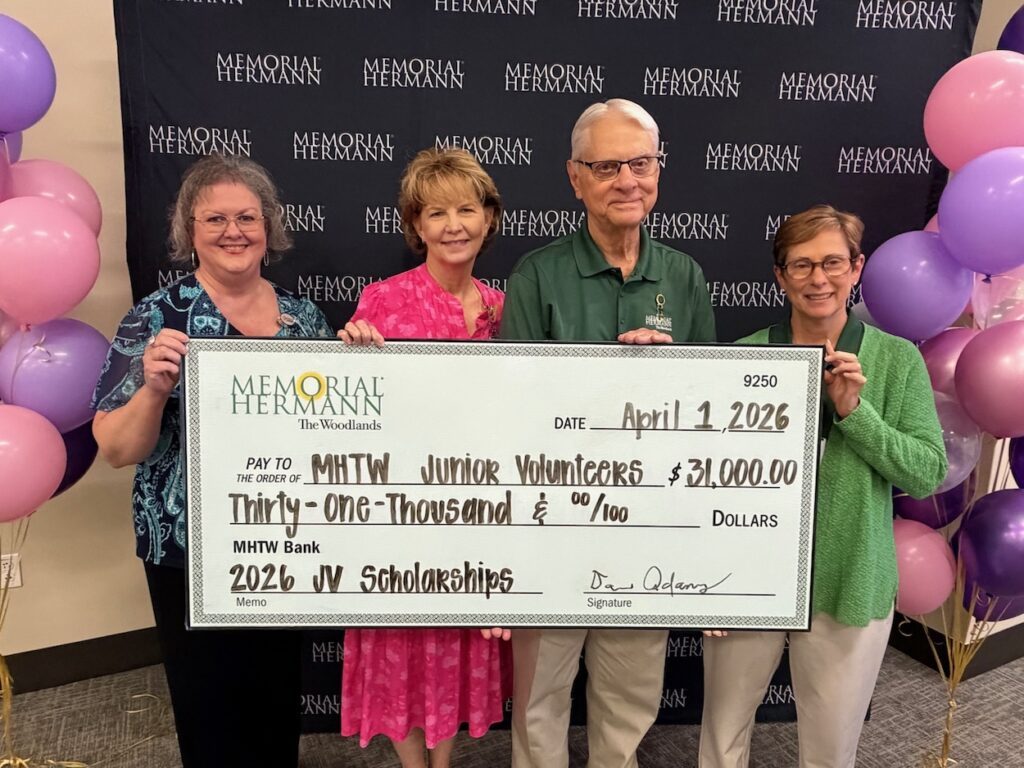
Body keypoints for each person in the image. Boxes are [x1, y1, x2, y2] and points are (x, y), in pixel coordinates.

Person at [91, 154, 334, 768]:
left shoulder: (305, 321)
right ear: (189, 231)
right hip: (188, 553)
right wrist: (152, 388)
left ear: (268, 227)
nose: (234, 231)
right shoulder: (156, 320)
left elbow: (338, 436)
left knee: (276, 704)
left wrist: (357, 359)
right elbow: (117, 450)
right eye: (216, 218)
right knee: (209, 709)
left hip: (286, 543)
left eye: (247, 217)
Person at [500, 98, 716, 768]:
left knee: (630, 697)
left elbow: (712, 409)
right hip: (553, 525)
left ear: (659, 169)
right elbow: (510, 407)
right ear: (575, 178)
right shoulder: (538, 274)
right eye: (607, 165)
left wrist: (668, 377)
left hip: (644, 529)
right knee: (539, 699)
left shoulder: (683, 275)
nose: (627, 179)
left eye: (641, 163)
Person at [698, 205, 947, 768]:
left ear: (856, 268)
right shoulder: (744, 357)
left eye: (833, 262)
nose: (819, 279)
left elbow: (926, 471)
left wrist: (857, 414)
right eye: (802, 265)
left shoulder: (896, 360)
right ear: (780, 277)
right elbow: (711, 485)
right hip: (749, 581)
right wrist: (706, 582)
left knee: (831, 751)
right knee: (721, 737)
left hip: (849, 578)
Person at [337, 147, 512, 768]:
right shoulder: (382, 301)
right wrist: (351, 355)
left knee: (457, 639)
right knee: (404, 643)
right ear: (416, 227)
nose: (453, 225)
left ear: (488, 218)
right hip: (401, 514)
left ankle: (444, 763)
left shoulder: (501, 308)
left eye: (467, 208)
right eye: (436, 213)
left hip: (476, 509)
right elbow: (352, 417)